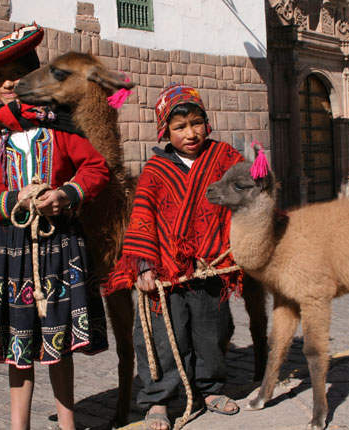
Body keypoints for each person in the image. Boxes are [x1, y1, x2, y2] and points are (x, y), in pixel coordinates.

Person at [0, 23, 110, 430]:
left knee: (59, 344)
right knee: (17, 343)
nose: (7, 83)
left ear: (33, 75)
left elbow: (96, 168)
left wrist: (68, 194)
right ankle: (18, 425)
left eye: (16, 73)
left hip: (58, 245)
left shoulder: (61, 128)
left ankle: (67, 423)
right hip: (7, 250)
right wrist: (9, 201)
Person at [107, 84, 244, 430]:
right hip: (166, 271)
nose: (191, 133)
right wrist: (143, 264)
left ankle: (210, 388)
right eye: (180, 127)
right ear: (165, 130)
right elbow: (142, 218)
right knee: (162, 337)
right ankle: (158, 400)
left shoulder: (224, 158)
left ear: (206, 123)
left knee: (212, 330)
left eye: (196, 123)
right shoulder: (156, 169)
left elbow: (247, 193)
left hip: (210, 266)